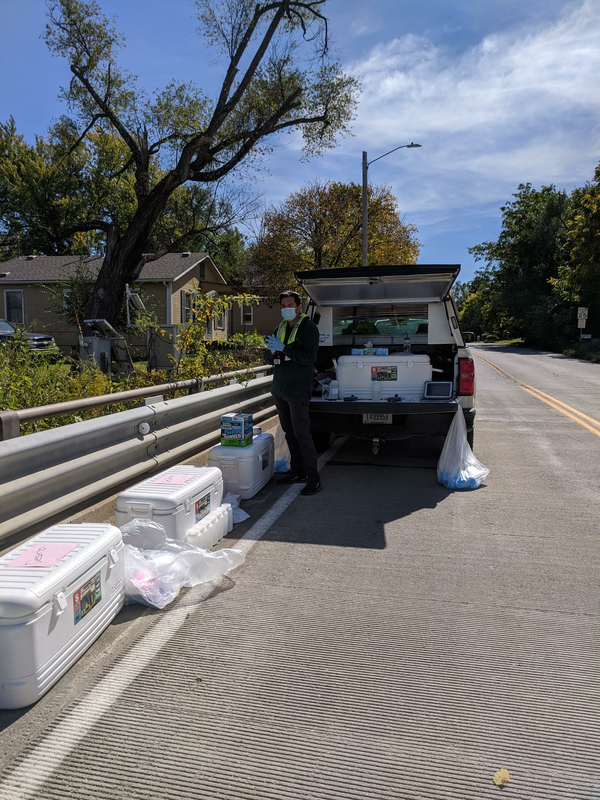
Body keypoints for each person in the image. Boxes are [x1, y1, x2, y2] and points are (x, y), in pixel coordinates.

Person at [265, 290, 322, 496]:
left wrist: (284, 348)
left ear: (299, 307)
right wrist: (271, 353)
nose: (286, 309)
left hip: (298, 390)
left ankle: (313, 478)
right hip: (280, 389)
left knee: (301, 433)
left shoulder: (308, 328)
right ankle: (298, 471)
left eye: (290, 305)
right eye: (283, 305)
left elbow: (308, 358)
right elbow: (267, 357)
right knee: (289, 433)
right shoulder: (280, 327)